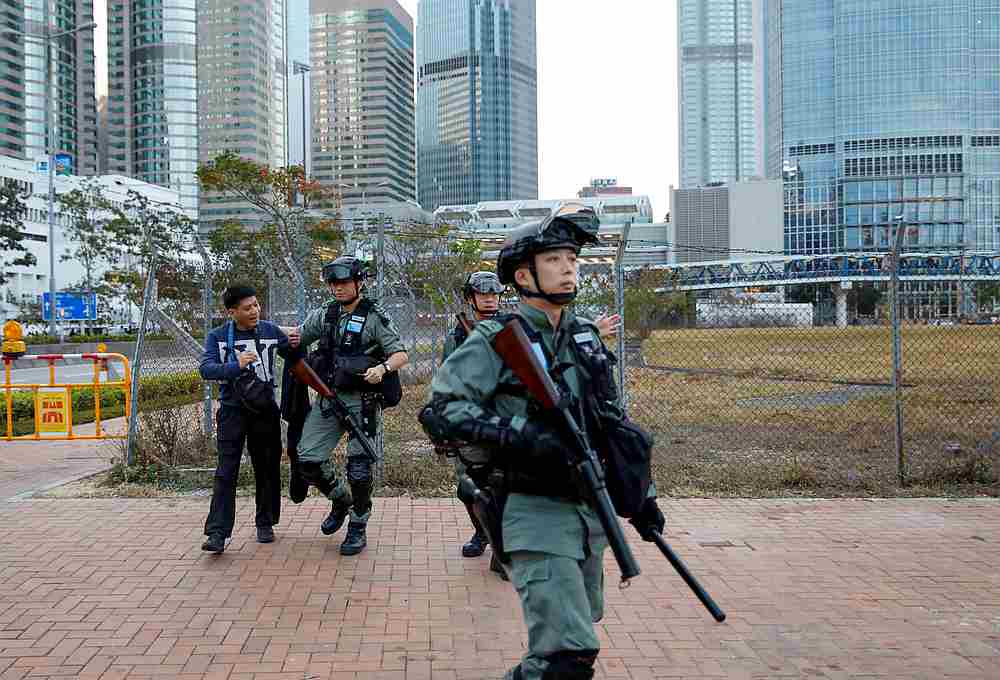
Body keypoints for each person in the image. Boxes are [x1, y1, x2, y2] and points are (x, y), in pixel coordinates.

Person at [420, 205, 665, 680]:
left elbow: (611, 424)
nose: (568, 267)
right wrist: (525, 437)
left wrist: (643, 496)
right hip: (532, 509)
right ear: (522, 275)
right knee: (565, 658)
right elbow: (442, 410)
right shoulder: (497, 339)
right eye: (553, 259)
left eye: (571, 258)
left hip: (587, 510)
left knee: (575, 635)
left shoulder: (585, 338)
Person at [291, 256, 409, 555]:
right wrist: (265, 330)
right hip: (329, 399)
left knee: (359, 469)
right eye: (333, 283)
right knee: (307, 459)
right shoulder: (326, 313)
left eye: (343, 282)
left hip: (363, 403)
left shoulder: (375, 316)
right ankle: (340, 500)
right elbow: (298, 337)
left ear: (359, 282)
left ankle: (358, 524)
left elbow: (400, 354)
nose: (338, 288)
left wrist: (382, 369)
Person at [199, 285, 292, 553]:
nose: (255, 310)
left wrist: (299, 340)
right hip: (232, 412)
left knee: (267, 469)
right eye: (247, 308)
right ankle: (217, 533)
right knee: (226, 472)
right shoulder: (217, 337)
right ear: (232, 312)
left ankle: (265, 523)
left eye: (256, 305)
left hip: (265, 411)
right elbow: (206, 369)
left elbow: (294, 355)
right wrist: (235, 366)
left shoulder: (270, 331)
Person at [439, 271, 507, 568]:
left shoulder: (511, 328)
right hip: (469, 418)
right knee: (468, 487)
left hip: (504, 418)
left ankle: (501, 544)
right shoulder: (457, 335)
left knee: (502, 484)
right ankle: (481, 532)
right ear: (470, 298)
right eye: (482, 294)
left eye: (494, 294)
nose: (490, 299)